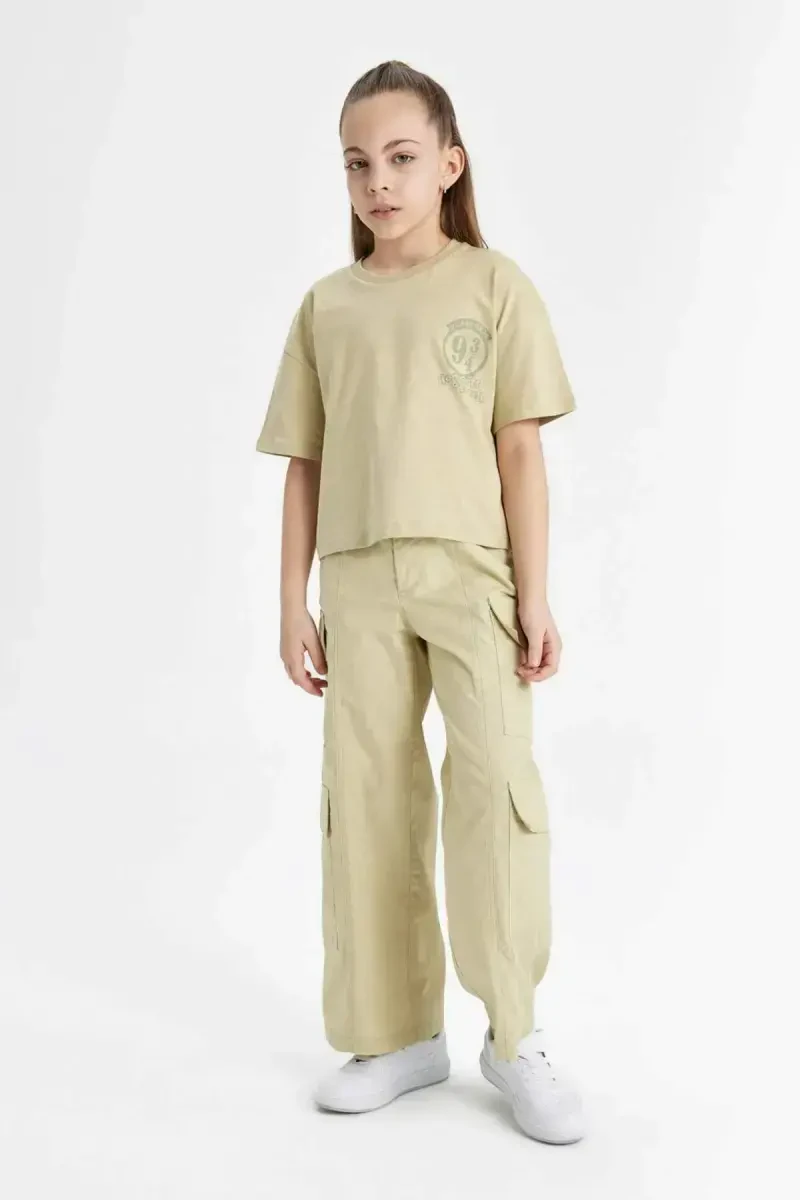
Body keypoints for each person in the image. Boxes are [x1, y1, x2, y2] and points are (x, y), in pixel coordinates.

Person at [255, 59, 586, 1144]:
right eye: (357, 164)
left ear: (449, 164)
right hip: (356, 580)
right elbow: (302, 463)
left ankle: (514, 1035)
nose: (378, 183)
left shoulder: (494, 286)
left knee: (494, 787)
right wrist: (292, 602)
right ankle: (397, 1034)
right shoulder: (326, 306)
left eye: (401, 158)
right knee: (367, 800)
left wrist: (534, 595)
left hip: (469, 573)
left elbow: (520, 451)